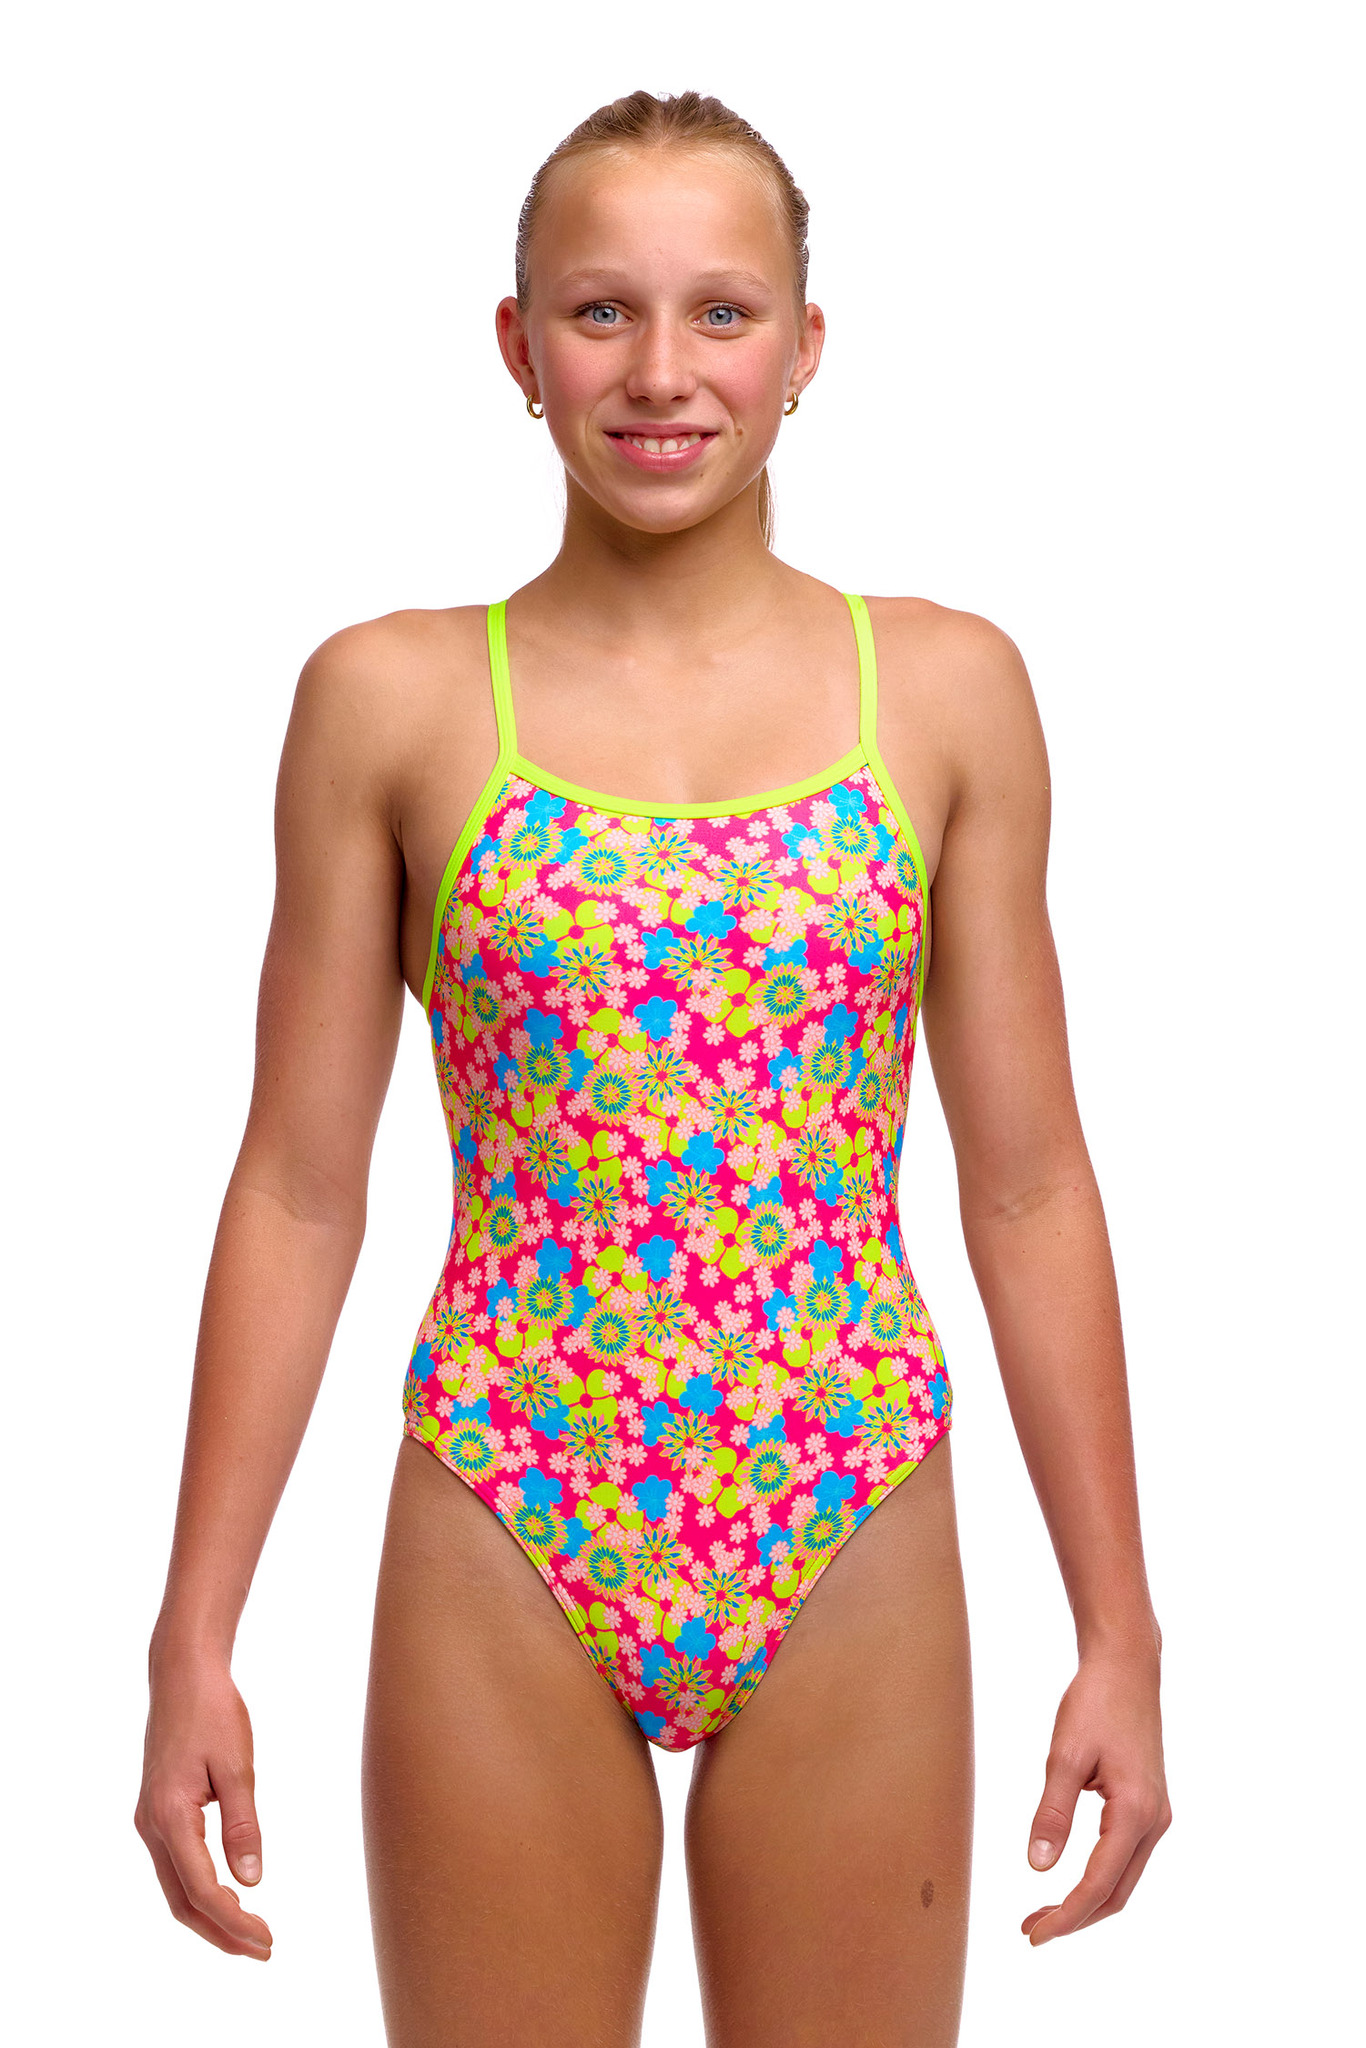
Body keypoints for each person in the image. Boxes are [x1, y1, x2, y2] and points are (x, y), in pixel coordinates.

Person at [135, 88, 1170, 2048]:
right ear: (518, 345)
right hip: (508, 1493)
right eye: (600, 310)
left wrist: (1120, 1628)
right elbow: (297, 1184)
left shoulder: (942, 693)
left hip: (841, 1483)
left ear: (804, 344)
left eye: (722, 311)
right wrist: (193, 1630)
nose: (661, 371)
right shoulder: (391, 701)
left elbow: (1029, 1180)